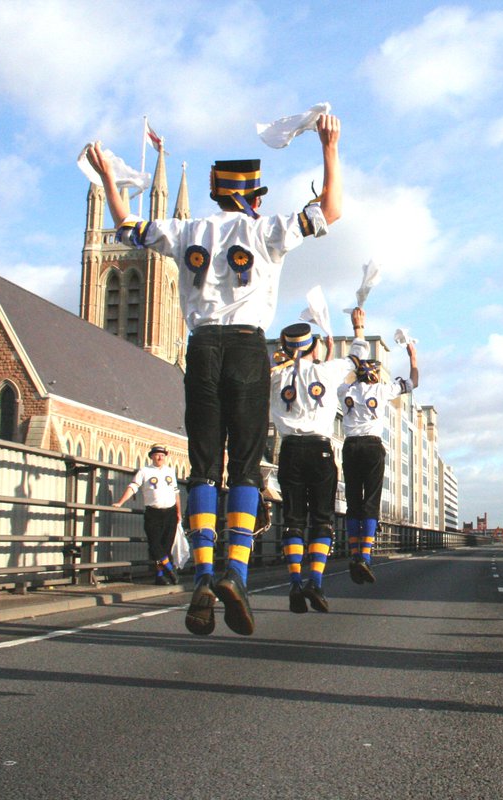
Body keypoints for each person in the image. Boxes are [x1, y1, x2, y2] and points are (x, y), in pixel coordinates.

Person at [85, 114, 342, 638]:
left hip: (200, 347)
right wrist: (329, 146)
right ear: (252, 197)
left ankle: (202, 574)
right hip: (248, 347)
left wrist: (110, 179)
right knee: (244, 467)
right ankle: (236, 575)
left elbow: (125, 226)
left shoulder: (186, 230)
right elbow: (331, 211)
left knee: (203, 465)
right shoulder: (265, 228)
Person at [270, 315, 355, 613]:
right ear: (315, 347)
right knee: (321, 520)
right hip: (320, 449)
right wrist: (357, 329)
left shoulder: (276, 376)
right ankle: (315, 581)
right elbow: (357, 356)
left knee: (293, 520)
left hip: (289, 450)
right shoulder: (328, 372)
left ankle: (294, 580)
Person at [338, 307, 418, 585]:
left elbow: (351, 365)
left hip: (350, 445)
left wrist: (358, 331)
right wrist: (412, 355)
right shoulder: (382, 390)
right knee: (371, 501)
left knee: (353, 501)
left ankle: (353, 551)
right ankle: (365, 556)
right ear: (376, 376)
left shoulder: (344, 391)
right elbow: (414, 382)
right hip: (372, 446)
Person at [113, 444, 182, 585]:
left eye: (162, 455)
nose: (160, 457)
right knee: (155, 545)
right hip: (153, 512)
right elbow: (133, 487)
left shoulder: (170, 471)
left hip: (170, 512)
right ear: (151, 456)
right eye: (157, 454)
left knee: (166, 546)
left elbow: (176, 493)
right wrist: (120, 502)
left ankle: (160, 575)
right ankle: (169, 569)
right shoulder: (144, 471)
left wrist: (178, 512)